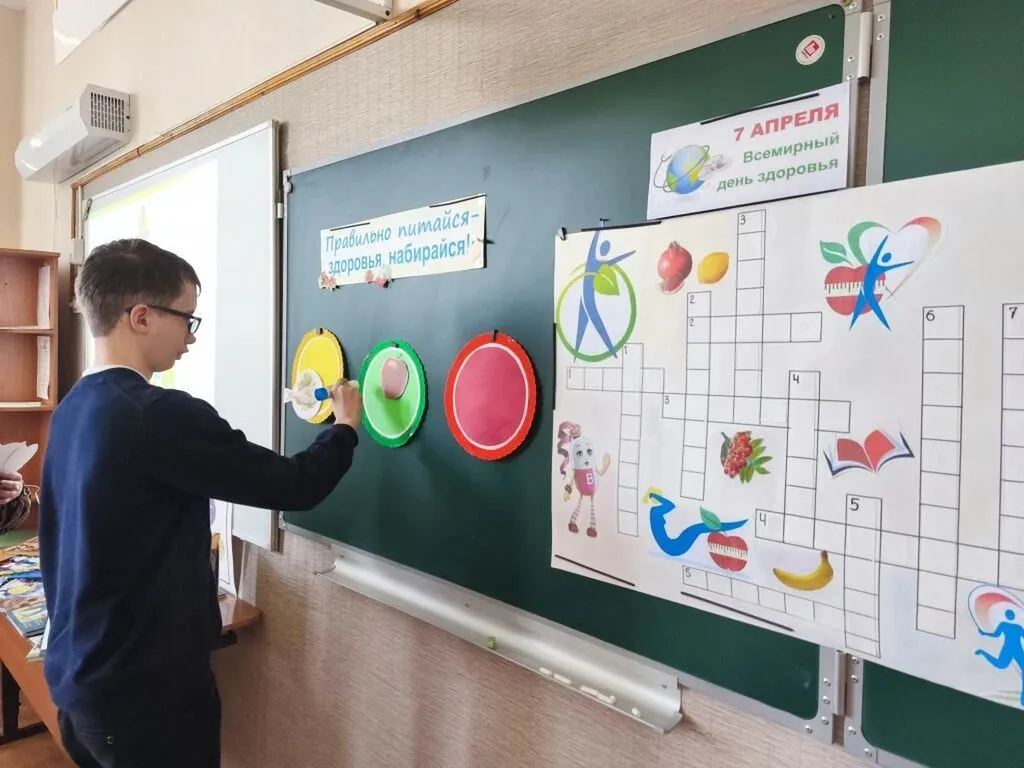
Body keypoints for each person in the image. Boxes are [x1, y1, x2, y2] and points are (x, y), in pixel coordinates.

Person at [39, 238, 363, 768]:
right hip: (142, 702)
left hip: (79, 686)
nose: (191, 336)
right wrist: (345, 428)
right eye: (186, 318)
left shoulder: (73, 407)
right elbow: (295, 486)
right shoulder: (157, 415)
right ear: (141, 316)